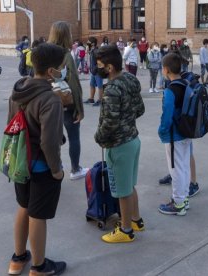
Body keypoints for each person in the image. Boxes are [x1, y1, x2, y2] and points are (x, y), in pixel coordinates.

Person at [7, 43, 66, 276]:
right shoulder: (50, 100)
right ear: (51, 71)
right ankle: (39, 267)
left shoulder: (18, 89)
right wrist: (57, 170)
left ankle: (18, 258)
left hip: (20, 162)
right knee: (38, 215)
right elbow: (49, 142)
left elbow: (11, 124)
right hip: (41, 166)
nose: (63, 71)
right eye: (61, 67)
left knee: (23, 206)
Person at [95, 45, 145, 243]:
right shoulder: (130, 80)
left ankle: (125, 230)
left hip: (119, 145)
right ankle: (135, 220)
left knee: (122, 191)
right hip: (133, 139)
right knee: (130, 185)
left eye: (99, 65)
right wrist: (127, 118)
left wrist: (99, 137)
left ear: (109, 67)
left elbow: (109, 123)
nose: (96, 68)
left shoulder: (111, 90)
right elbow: (139, 109)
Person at [48, 21, 88, 180]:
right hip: (67, 103)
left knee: (52, 137)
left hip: (48, 102)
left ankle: (54, 167)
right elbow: (74, 84)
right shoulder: (66, 55)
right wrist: (80, 108)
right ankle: (75, 169)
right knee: (74, 137)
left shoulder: (45, 53)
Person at [158, 53, 191, 216]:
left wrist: (162, 130)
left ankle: (178, 203)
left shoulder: (171, 89)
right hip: (186, 132)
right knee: (183, 166)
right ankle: (183, 199)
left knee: (175, 169)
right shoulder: (186, 83)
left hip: (173, 135)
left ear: (166, 69)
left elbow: (167, 114)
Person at [84, 37, 104, 106]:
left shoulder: (96, 51)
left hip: (97, 72)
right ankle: (91, 98)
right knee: (92, 84)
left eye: (88, 42)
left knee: (100, 86)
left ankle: (100, 100)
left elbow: (100, 62)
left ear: (92, 44)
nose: (87, 44)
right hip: (94, 72)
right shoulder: (92, 50)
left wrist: (94, 70)